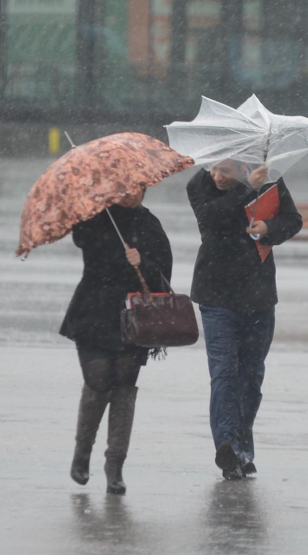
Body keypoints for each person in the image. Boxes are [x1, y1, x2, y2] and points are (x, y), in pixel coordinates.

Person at [187, 161, 302, 480]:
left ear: (241, 163)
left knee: (250, 378)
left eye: (225, 170)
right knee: (224, 371)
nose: (217, 176)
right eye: (214, 169)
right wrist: (247, 187)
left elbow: (293, 220)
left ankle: (241, 449)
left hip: (258, 295)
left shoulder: (270, 181)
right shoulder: (199, 185)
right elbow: (213, 218)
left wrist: (270, 230)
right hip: (216, 294)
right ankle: (225, 445)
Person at [61, 188, 173, 495]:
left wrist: (142, 261)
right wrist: (91, 208)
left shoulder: (149, 223)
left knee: (124, 387)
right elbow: (82, 239)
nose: (133, 194)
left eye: (140, 188)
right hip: (92, 312)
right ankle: (82, 453)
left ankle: (115, 465)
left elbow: (163, 275)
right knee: (99, 381)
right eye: (127, 188)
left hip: (133, 317)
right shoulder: (96, 217)